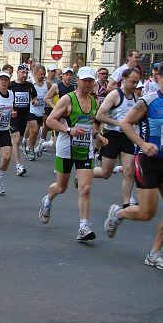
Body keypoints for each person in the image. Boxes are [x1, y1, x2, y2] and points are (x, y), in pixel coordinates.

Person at [103, 61, 163, 271]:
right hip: (146, 161)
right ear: (159, 79)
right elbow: (126, 124)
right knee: (147, 213)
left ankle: (154, 253)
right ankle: (118, 214)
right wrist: (142, 144)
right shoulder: (147, 102)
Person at [39, 68, 105, 242]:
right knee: (61, 188)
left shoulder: (93, 101)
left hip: (85, 150)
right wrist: (69, 129)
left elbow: (91, 124)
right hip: (66, 149)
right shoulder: (68, 99)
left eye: (91, 81)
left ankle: (83, 226)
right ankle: (48, 201)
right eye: (85, 81)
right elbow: (50, 121)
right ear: (78, 81)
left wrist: (98, 136)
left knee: (85, 188)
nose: (88, 84)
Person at [93, 67, 141, 207]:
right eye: (133, 82)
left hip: (127, 136)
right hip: (112, 135)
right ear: (124, 80)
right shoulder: (114, 95)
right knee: (105, 172)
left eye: (137, 82)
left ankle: (126, 201)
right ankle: (85, 174)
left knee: (129, 170)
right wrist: (119, 123)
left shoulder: (135, 97)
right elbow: (99, 115)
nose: (135, 85)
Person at [9, 64, 38, 171]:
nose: (25, 75)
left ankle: (5, 148)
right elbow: (5, 98)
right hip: (13, 117)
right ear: (17, 72)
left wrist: (35, 101)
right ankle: (18, 166)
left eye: (26, 73)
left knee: (19, 140)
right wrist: (11, 110)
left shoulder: (29, 86)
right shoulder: (11, 85)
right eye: (22, 72)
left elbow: (34, 97)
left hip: (25, 116)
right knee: (16, 139)